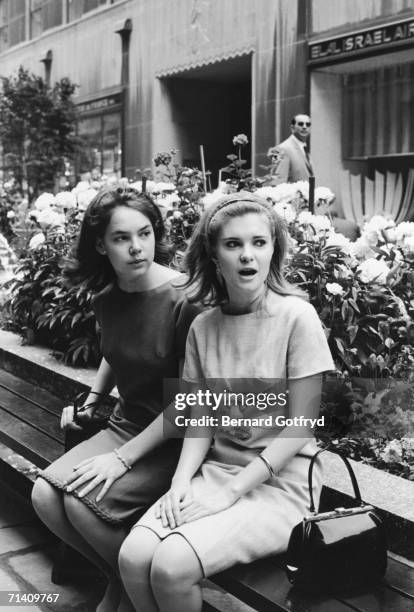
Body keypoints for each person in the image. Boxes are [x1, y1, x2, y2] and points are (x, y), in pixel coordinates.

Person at [118, 192, 335, 612]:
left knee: (171, 566)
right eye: (232, 244)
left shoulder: (297, 318)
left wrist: (230, 493)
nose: (247, 255)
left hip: (281, 486)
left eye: (259, 242)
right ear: (214, 255)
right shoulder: (204, 326)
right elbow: (197, 421)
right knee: (133, 556)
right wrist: (181, 483)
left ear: (275, 249)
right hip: (216, 475)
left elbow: (302, 427)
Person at [31, 186, 200, 612]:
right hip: (126, 423)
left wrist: (122, 459)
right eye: (121, 238)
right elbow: (114, 352)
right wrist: (91, 401)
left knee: (82, 505)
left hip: (175, 439)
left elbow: (190, 401)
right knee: (44, 496)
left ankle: (121, 590)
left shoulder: (184, 299)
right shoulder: (108, 297)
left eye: (144, 233)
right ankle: (124, 578)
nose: (137, 247)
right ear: (100, 245)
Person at [268, 114, 314, 184]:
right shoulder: (281, 149)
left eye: (308, 124)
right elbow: (277, 181)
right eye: (300, 124)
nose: (305, 127)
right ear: (292, 128)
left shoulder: (304, 148)